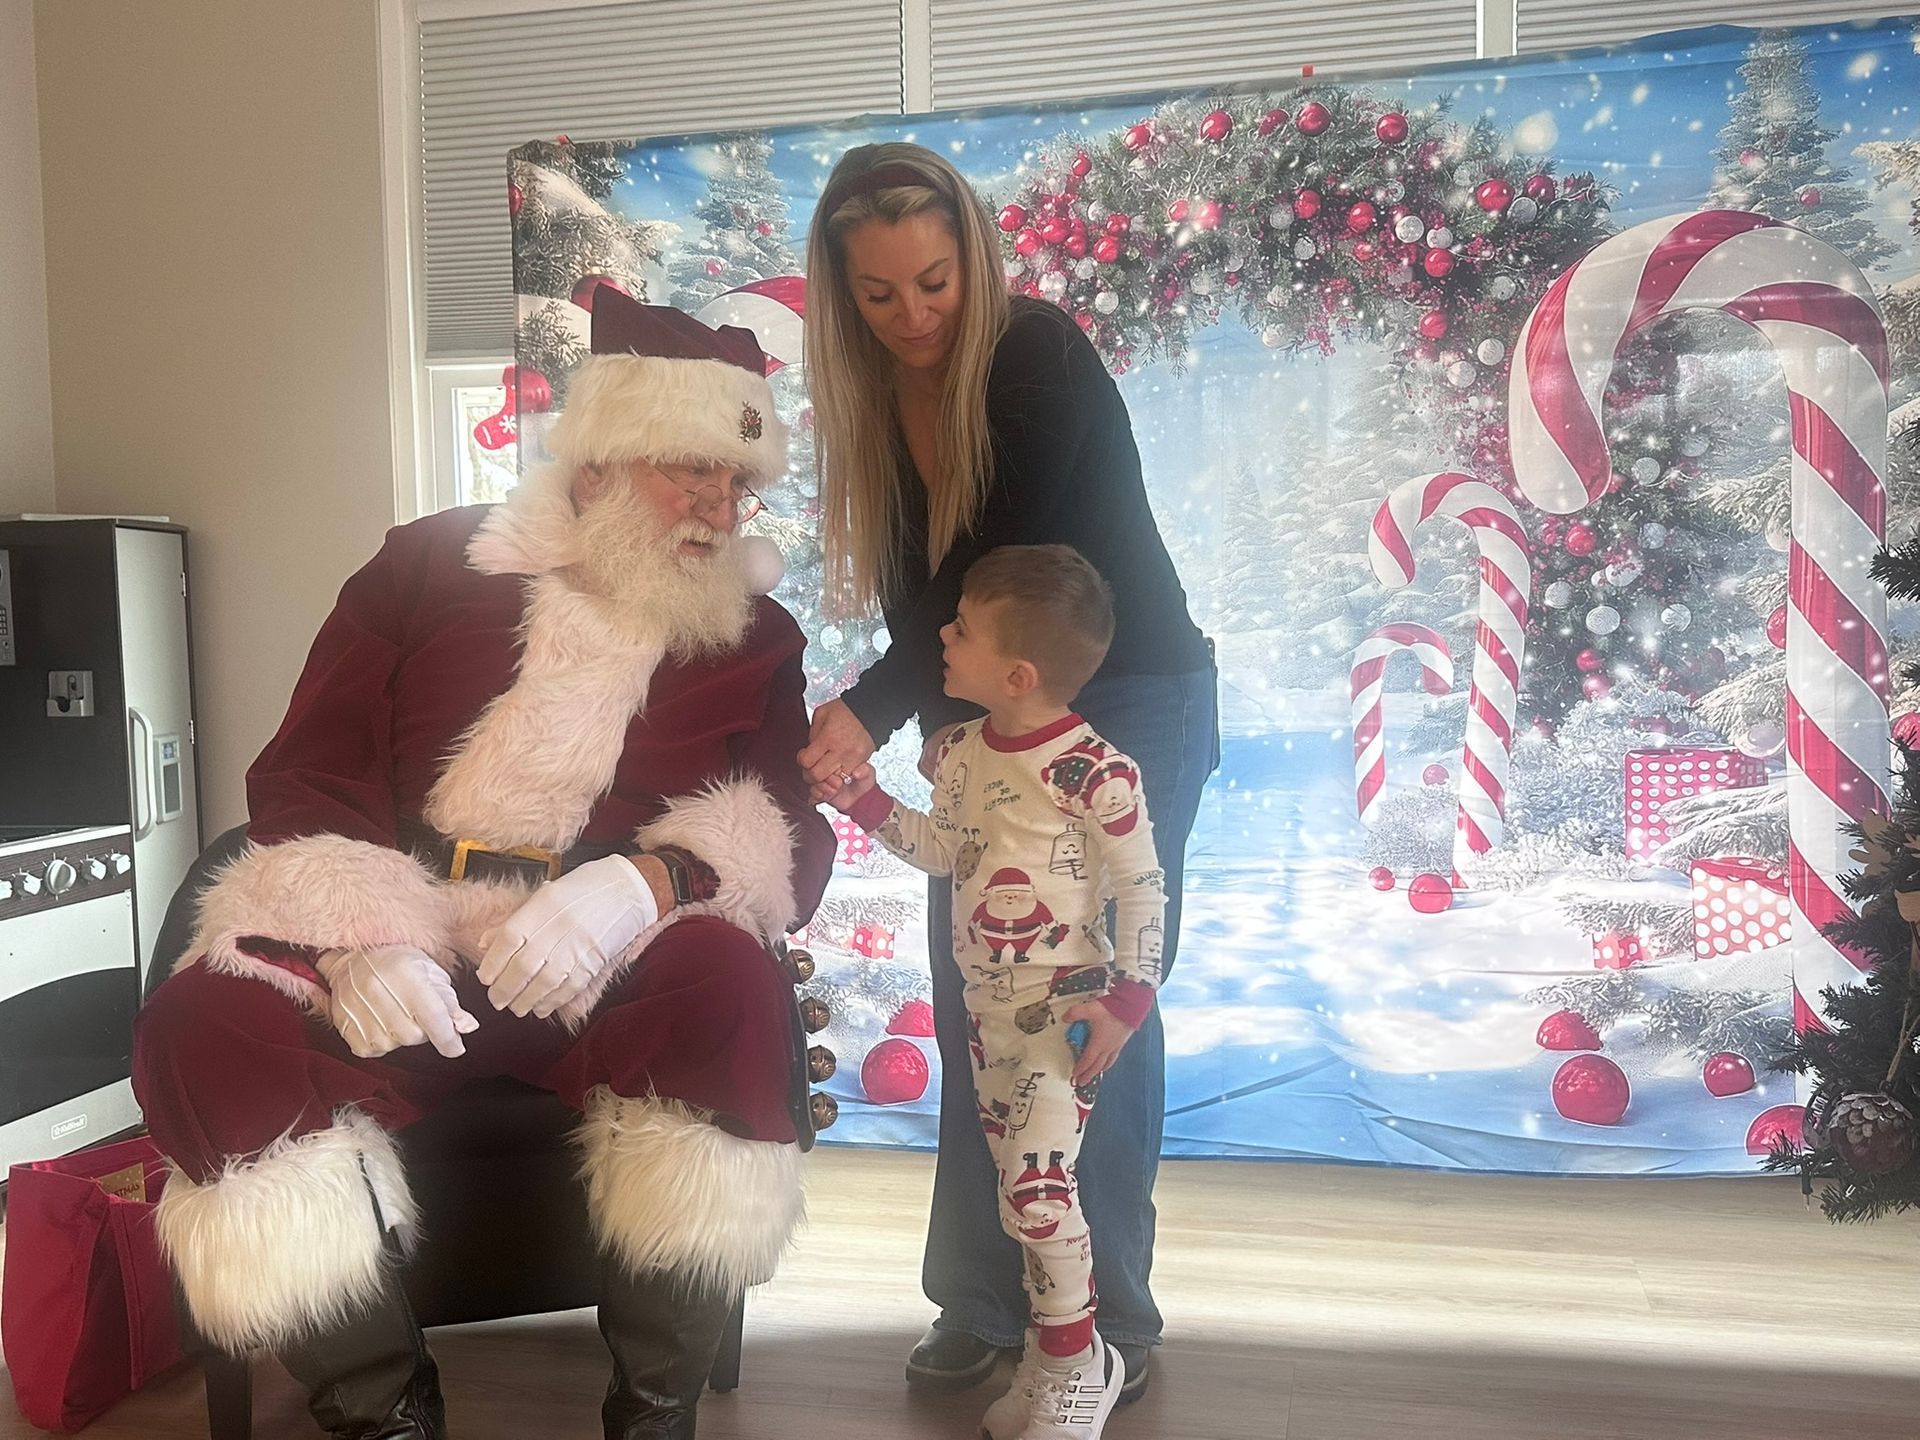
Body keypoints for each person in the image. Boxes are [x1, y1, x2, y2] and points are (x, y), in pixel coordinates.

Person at [132, 289, 835, 1440]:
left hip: (619, 959)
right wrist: (356, 939)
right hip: (409, 936)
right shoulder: (423, 565)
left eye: (739, 485)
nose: (720, 510)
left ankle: (654, 1415)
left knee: (732, 985)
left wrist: (647, 884)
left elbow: (789, 826)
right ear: (600, 456)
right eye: (691, 472)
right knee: (198, 1026)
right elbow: (311, 766)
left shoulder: (759, 635)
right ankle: (384, 1414)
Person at [798, 141, 1218, 1400]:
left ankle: (1108, 1319)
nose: (914, 315)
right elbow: (931, 601)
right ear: (843, 294)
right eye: (879, 293)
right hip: (987, 698)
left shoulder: (1037, 354)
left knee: (1086, 1009)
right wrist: (930, 724)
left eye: (934, 282)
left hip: (1130, 697)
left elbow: (997, 553)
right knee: (982, 992)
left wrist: (872, 708)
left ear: (973, 259)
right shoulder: (874, 399)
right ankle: (983, 1301)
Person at [825, 544, 1165, 1440]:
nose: (942, 633)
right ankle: (1059, 1359)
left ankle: (1077, 1366)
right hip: (987, 1019)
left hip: (1064, 1014)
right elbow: (946, 853)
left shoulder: (1098, 772)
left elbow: (1143, 887)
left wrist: (1129, 1000)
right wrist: (866, 803)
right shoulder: (964, 754)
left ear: (1016, 674)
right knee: (1020, 1199)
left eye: (963, 629)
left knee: (1039, 1194)